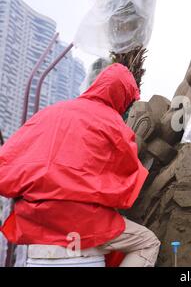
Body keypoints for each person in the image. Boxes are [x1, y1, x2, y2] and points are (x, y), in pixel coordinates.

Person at [0, 63, 160, 267]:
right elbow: (127, 177)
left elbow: (7, 160)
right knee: (147, 242)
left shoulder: (49, 113)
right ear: (122, 97)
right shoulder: (113, 122)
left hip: (37, 230)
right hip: (85, 226)